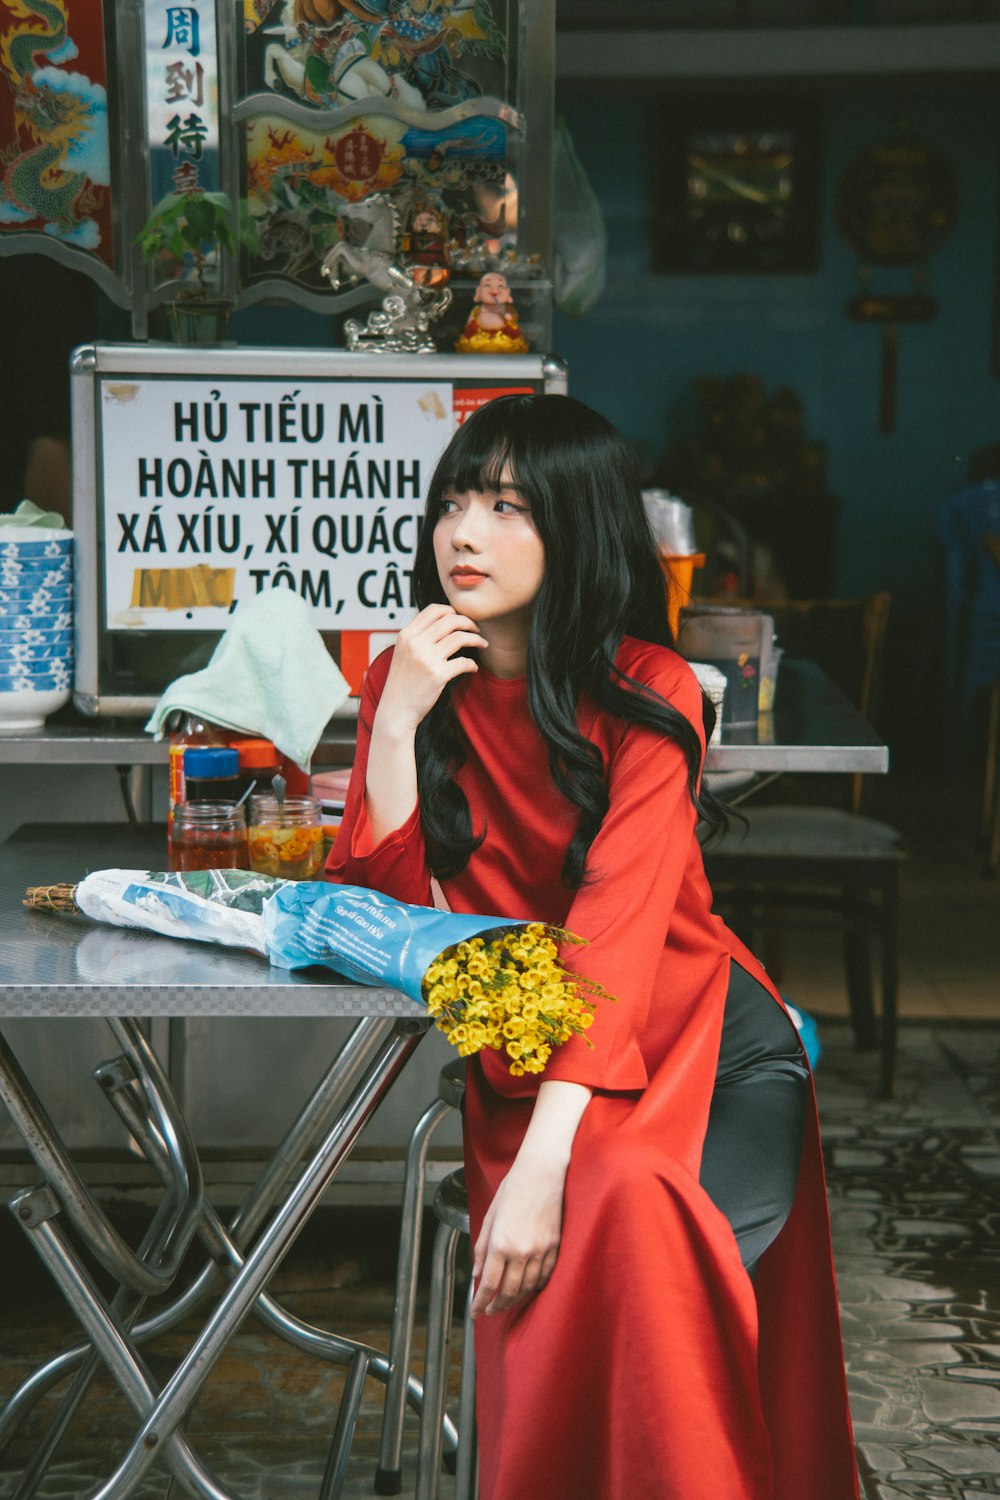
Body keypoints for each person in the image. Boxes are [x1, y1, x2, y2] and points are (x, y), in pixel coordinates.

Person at [326, 394, 858, 1500]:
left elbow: (613, 936)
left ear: (577, 526)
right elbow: (387, 918)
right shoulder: (410, 682)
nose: (462, 533)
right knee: (599, 1223)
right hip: (528, 1059)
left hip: (702, 1052)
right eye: (455, 502)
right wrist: (394, 722)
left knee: (622, 1209)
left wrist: (542, 1167)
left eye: (507, 506)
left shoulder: (650, 692)